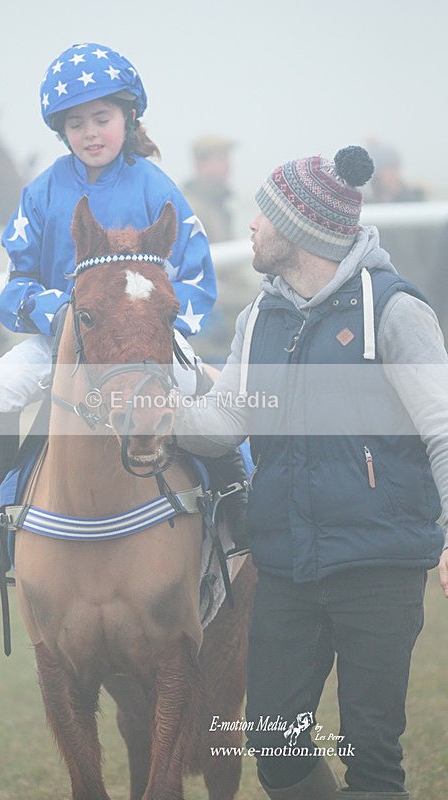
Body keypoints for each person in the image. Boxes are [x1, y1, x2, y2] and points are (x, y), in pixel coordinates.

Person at [174, 145, 448, 799]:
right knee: (274, 745)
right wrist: (155, 409)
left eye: (263, 216)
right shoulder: (258, 318)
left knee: (372, 763)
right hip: (287, 572)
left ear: (299, 230)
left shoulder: (395, 310)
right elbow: (222, 421)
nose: (251, 227)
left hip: (379, 570)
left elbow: (441, 427)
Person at [0, 41, 221, 581]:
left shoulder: (158, 188)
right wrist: (57, 313)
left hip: (147, 336)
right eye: (76, 124)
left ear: (129, 116)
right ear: (62, 132)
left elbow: (198, 281)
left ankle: (237, 498)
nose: (91, 133)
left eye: (102, 118)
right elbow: (15, 287)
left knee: (199, 386)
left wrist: (161, 325)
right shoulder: (42, 192)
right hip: (66, 335)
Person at [182, 134, 236, 243]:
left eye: (227, 158)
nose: (228, 166)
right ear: (199, 164)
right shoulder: (189, 210)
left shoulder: (217, 203)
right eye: (221, 159)